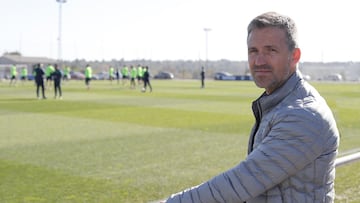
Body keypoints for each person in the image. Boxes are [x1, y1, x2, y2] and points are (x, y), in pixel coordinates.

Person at [164, 12, 340, 203]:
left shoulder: (304, 116)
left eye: (271, 50)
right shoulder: (280, 102)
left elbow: (239, 184)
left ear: (294, 55)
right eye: (253, 51)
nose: (259, 61)